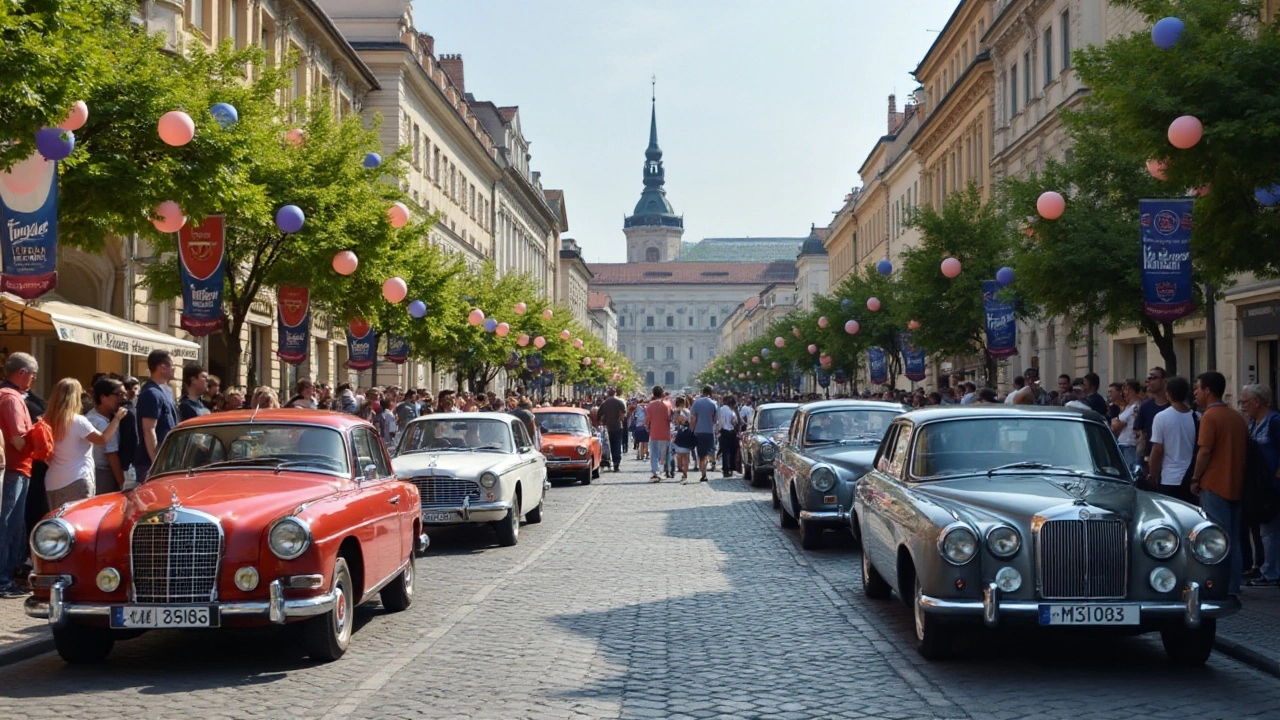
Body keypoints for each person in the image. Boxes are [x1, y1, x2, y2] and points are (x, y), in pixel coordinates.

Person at [1190, 371, 1249, 597]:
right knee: (1232, 539)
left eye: (1197, 388)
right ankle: (1233, 586)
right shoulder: (1237, 417)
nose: (1194, 393)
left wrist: (1195, 478)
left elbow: (1205, 451)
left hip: (1214, 484)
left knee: (1216, 540)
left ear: (1207, 391)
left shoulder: (1209, 417)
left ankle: (1218, 586)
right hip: (1236, 484)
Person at [44, 378, 127, 508]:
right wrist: (117, 419)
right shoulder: (78, 421)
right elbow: (102, 440)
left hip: (53, 481)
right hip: (77, 478)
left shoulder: (47, 420)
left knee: (60, 522)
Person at [0, 353, 37, 598]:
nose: (33, 380)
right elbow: (18, 439)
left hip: (15, 469)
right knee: (9, 526)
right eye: (33, 376)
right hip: (15, 469)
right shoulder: (11, 399)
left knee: (12, 525)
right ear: (21, 373)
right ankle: (4, 579)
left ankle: (7, 576)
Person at [1241, 384, 1280, 586]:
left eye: (1245, 402)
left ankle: (1271, 572)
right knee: (1261, 529)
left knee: (1270, 530)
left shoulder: (1274, 422)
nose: (1243, 406)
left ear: (1257, 401)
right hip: (1258, 487)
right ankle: (1262, 565)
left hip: (1272, 486)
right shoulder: (1252, 423)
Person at [1147, 377, 1198, 503]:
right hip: (1190, 476)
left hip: (1169, 478)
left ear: (1168, 394)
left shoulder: (1161, 417)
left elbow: (1157, 450)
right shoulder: (1197, 417)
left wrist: (1153, 474)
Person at [134, 350, 178, 481]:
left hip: (169, 460)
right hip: (152, 464)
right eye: (173, 365)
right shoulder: (151, 394)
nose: (175, 368)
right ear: (162, 367)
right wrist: (156, 464)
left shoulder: (167, 391)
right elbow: (149, 430)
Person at [86, 378, 127, 495]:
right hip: (102, 474)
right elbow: (111, 455)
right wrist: (122, 482)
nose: (123, 398)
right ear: (103, 397)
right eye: (118, 394)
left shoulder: (96, 416)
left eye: (124, 394)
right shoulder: (100, 422)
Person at [1134, 367, 1170, 478]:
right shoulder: (1145, 406)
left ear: (1164, 381)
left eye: (1153, 377)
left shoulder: (1173, 406)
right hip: (1149, 459)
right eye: (1148, 378)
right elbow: (1139, 432)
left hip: (1170, 461)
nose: (1148, 381)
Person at [689, 386, 718, 482]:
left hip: (699, 431)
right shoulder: (714, 404)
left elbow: (693, 417)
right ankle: (710, 464)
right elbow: (715, 420)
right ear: (710, 393)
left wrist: (692, 429)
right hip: (709, 431)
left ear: (702, 392)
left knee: (701, 454)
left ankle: (703, 473)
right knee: (708, 452)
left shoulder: (697, 402)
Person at [645, 386, 672, 482]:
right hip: (665, 432)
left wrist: (646, 425)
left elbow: (648, 419)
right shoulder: (667, 404)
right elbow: (669, 418)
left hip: (654, 432)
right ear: (662, 393)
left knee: (654, 454)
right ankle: (664, 471)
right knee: (664, 454)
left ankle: (655, 472)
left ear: (653, 394)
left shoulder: (650, 405)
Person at [1111, 380, 1140, 470]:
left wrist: (1115, 422)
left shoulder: (1135, 407)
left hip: (1129, 446)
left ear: (1130, 390)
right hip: (1123, 445)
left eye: (1124, 390)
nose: (1123, 393)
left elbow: (1117, 425)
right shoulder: (1128, 407)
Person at [597, 388, 627, 472]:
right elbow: (624, 412)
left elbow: (599, 414)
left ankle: (611, 461)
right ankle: (616, 463)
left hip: (608, 426)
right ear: (615, 393)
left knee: (610, 444)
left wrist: (602, 421)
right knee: (617, 444)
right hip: (617, 425)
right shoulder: (619, 401)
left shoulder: (605, 402)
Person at [716, 394, 741, 478]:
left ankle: (726, 469)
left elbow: (720, 421)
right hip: (731, 431)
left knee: (725, 451)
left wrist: (718, 430)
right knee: (731, 451)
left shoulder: (723, 409)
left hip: (724, 431)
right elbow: (735, 421)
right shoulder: (732, 411)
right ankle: (731, 467)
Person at [672, 397, 695, 482]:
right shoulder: (688, 411)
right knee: (686, 456)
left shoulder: (676, 411)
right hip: (688, 433)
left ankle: (680, 468)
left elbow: (676, 423)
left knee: (678, 454)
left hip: (679, 434)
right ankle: (685, 473)